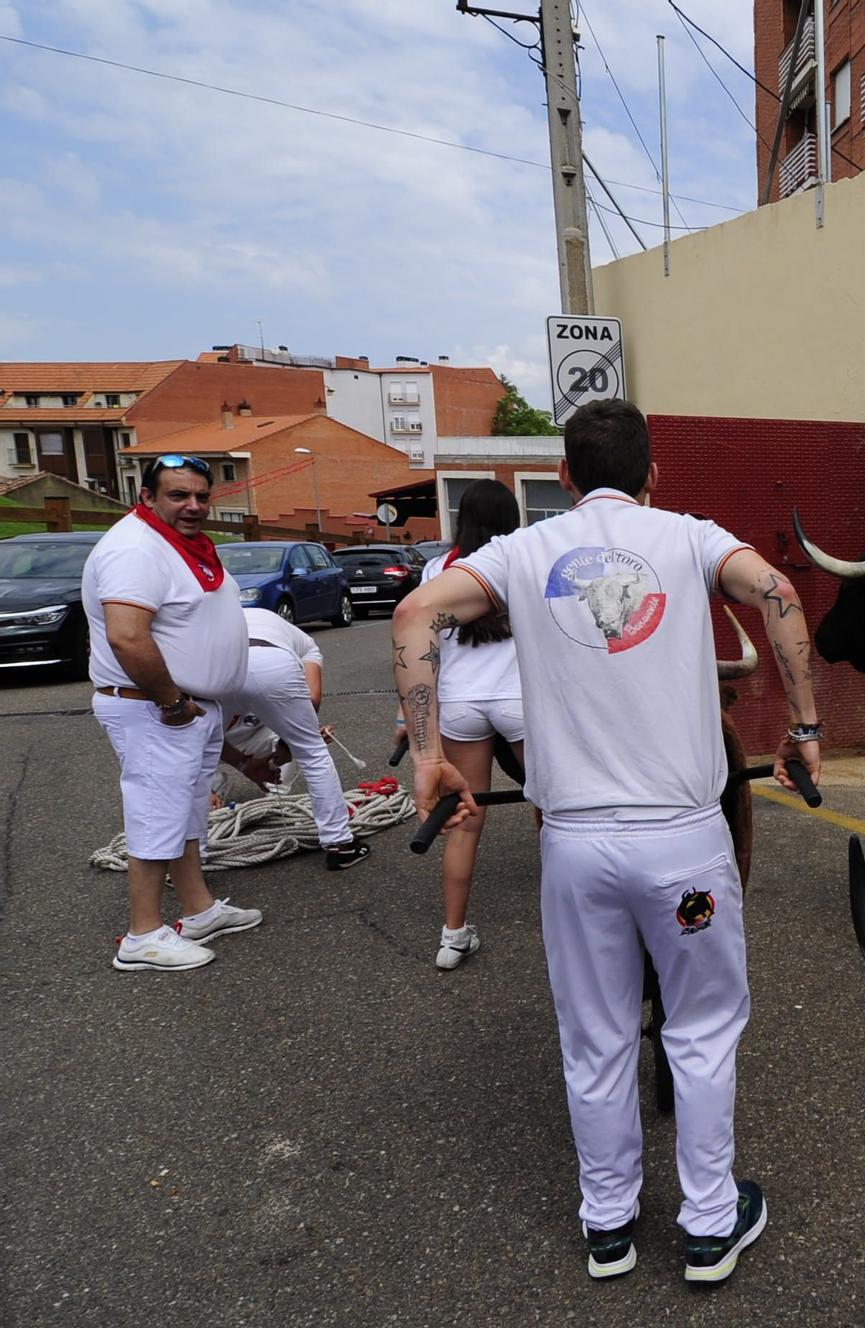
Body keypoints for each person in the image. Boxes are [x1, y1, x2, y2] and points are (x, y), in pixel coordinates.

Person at [393, 399, 821, 1284]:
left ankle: (609, 1227)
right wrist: (806, 726)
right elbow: (777, 590)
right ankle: (708, 1225)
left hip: (577, 852)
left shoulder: (517, 553)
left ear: (564, 479)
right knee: (701, 1029)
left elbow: (412, 616)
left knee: (596, 1036)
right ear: (653, 475)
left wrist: (430, 755)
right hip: (686, 852)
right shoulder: (691, 535)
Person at [83, 454, 261, 972]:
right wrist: (172, 701)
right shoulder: (135, 549)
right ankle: (142, 935)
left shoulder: (178, 545)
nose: (194, 506)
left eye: (202, 496)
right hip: (155, 707)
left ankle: (197, 908)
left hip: (185, 706)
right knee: (156, 814)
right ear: (147, 498)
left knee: (184, 811)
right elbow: (126, 635)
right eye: (178, 495)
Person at [413, 478, 525, 970]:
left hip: (459, 703)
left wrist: (411, 718)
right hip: (519, 698)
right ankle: (578, 916)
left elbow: (421, 647)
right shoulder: (520, 559)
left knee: (466, 819)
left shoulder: (438, 569)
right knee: (554, 805)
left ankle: (452, 936)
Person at [215, 605, 372, 870]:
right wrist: (290, 746)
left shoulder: (220, 616)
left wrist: (246, 764)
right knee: (312, 752)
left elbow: (207, 738)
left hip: (218, 665)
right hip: (269, 661)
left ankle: (190, 862)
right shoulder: (300, 639)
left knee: (196, 751)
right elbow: (312, 697)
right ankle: (340, 845)